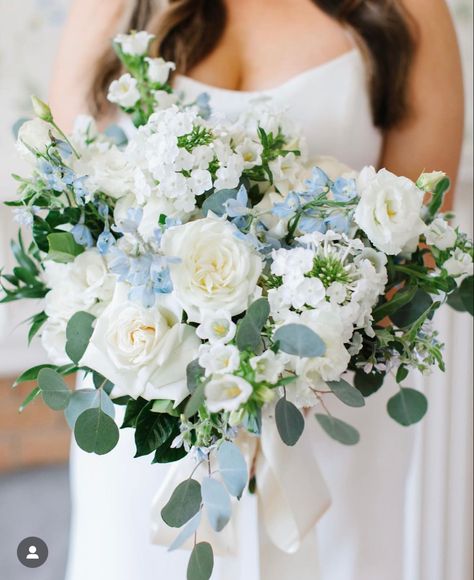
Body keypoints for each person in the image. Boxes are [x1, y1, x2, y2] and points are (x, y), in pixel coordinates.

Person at [49, 1, 464, 579]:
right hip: (152, 412)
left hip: (324, 418)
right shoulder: (114, 7)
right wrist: (190, 357)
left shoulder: (406, 9)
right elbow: (73, 223)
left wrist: (271, 359)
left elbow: (415, 246)